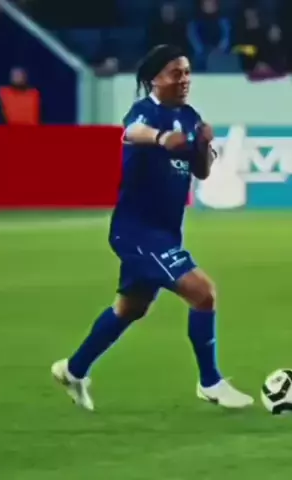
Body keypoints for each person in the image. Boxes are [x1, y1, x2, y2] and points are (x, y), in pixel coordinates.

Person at [51, 44, 254, 411]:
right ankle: (210, 382)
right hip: (137, 232)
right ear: (155, 79)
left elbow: (202, 172)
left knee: (130, 308)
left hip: (165, 233)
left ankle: (73, 370)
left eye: (187, 72)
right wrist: (162, 138)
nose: (184, 79)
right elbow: (132, 132)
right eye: (176, 73)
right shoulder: (146, 111)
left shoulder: (190, 116)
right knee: (203, 293)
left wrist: (203, 146)